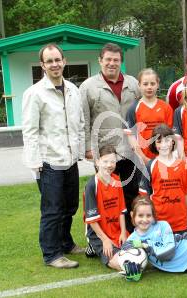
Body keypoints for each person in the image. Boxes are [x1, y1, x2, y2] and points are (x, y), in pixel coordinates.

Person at [22, 43, 85, 268]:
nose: (55, 64)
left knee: (70, 206)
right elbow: (29, 131)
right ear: (43, 65)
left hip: (70, 160)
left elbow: (79, 123)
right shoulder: (34, 93)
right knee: (52, 209)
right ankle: (52, 254)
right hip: (49, 162)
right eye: (49, 61)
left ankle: (66, 243)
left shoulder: (72, 90)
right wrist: (35, 164)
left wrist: (80, 150)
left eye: (57, 59)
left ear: (64, 61)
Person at [80, 43, 141, 233]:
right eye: (108, 60)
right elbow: (84, 119)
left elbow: (142, 113)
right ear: (100, 61)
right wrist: (89, 148)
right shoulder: (88, 86)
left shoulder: (133, 84)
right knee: (107, 195)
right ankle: (103, 234)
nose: (112, 64)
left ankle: (131, 232)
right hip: (105, 152)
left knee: (131, 192)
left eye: (116, 60)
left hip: (130, 150)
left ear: (121, 62)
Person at [138, 124, 187, 233]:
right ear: (154, 144)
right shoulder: (150, 166)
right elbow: (144, 196)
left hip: (180, 221)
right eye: (159, 141)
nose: (164, 145)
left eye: (167, 140)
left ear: (173, 141)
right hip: (159, 222)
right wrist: (149, 217)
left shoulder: (182, 165)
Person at [83, 144, 128, 270]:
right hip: (98, 233)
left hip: (116, 230)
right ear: (97, 162)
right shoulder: (92, 185)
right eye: (105, 161)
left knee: (138, 252)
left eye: (113, 161)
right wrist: (105, 240)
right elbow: (91, 220)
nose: (109, 165)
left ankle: (99, 248)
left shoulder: (117, 180)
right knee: (122, 263)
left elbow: (121, 211)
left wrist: (123, 233)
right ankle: (93, 245)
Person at [124, 68, 173, 165]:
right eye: (145, 84)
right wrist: (143, 158)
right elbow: (131, 137)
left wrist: (167, 155)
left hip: (164, 158)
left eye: (152, 84)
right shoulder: (133, 108)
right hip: (141, 160)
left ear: (158, 84)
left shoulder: (166, 107)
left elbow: (170, 135)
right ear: (139, 85)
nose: (149, 87)